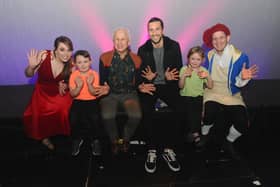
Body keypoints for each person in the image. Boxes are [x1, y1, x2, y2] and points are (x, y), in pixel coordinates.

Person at [201, 23, 258, 160]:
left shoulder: (240, 57)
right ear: (211, 41)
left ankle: (229, 141)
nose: (218, 41)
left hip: (231, 93)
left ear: (228, 37)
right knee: (208, 114)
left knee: (242, 123)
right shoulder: (208, 55)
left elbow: (238, 83)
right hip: (212, 90)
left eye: (221, 37)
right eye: (215, 39)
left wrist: (242, 78)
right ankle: (204, 134)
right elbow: (203, 74)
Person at [137, 17, 182, 173]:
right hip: (152, 86)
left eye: (157, 29)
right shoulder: (143, 50)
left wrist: (173, 77)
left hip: (169, 86)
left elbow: (179, 68)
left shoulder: (174, 46)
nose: (154, 32)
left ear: (162, 30)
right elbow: (140, 75)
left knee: (180, 109)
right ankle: (152, 150)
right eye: (151, 30)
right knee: (146, 110)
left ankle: (169, 149)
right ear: (148, 32)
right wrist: (144, 81)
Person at [23, 36, 74, 150]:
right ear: (55, 50)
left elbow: (72, 80)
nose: (66, 54)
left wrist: (66, 83)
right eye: (62, 49)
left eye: (69, 50)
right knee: (41, 113)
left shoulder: (71, 63)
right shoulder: (44, 55)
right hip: (42, 91)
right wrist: (31, 67)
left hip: (59, 91)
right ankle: (44, 137)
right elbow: (28, 74)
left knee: (62, 110)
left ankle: (59, 134)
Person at [99, 28, 142, 155]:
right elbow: (102, 80)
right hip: (110, 95)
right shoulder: (104, 57)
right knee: (107, 116)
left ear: (128, 42)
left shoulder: (137, 59)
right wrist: (104, 87)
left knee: (136, 116)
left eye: (123, 39)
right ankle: (114, 141)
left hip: (130, 94)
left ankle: (125, 139)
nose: (120, 42)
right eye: (117, 39)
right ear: (113, 41)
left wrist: (142, 85)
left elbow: (138, 82)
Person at [69, 50, 105, 156]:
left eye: (85, 61)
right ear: (75, 64)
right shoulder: (74, 75)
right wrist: (79, 86)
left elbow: (94, 93)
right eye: (79, 62)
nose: (83, 65)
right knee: (73, 118)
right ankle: (77, 139)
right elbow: (73, 94)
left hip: (91, 100)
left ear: (90, 62)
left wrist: (89, 84)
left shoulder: (94, 74)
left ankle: (95, 140)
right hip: (78, 100)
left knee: (95, 118)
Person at [178, 46, 213, 150]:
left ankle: (193, 133)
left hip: (198, 97)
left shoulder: (203, 70)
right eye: (192, 58)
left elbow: (210, 86)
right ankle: (195, 134)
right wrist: (184, 76)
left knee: (197, 116)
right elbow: (180, 86)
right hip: (185, 97)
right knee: (188, 114)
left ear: (202, 60)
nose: (195, 61)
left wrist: (208, 77)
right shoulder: (184, 69)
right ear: (188, 58)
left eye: (198, 59)